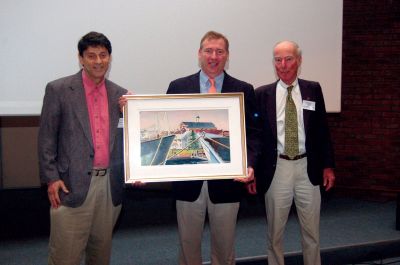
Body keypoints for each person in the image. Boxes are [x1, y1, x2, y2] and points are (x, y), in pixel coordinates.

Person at [166, 31, 260, 265]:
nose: (213, 56)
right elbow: (169, 130)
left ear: (227, 55)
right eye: (208, 50)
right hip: (187, 183)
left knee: (225, 248)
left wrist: (249, 163)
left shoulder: (244, 89)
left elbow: (255, 134)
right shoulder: (178, 86)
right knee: (188, 248)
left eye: (220, 51)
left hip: (228, 183)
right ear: (199, 53)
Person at [38, 31, 127, 265]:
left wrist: (133, 113)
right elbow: (46, 138)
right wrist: (51, 178)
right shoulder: (59, 90)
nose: (98, 61)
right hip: (70, 185)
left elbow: (126, 140)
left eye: (103, 55)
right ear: (81, 58)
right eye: (91, 56)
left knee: (100, 255)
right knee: (65, 257)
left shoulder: (121, 95)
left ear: (110, 58)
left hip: (109, 187)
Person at [254, 40, 336, 265]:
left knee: (311, 233)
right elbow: (256, 137)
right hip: (276, 169)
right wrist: (253, 169)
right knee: (275, 234)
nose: (283, 64)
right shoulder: (262, 94)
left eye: (288, 58)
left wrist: (328, 166)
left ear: (298, 61)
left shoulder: (313, 89)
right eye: (278, 59)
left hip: (307, 168)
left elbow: (322, 130)